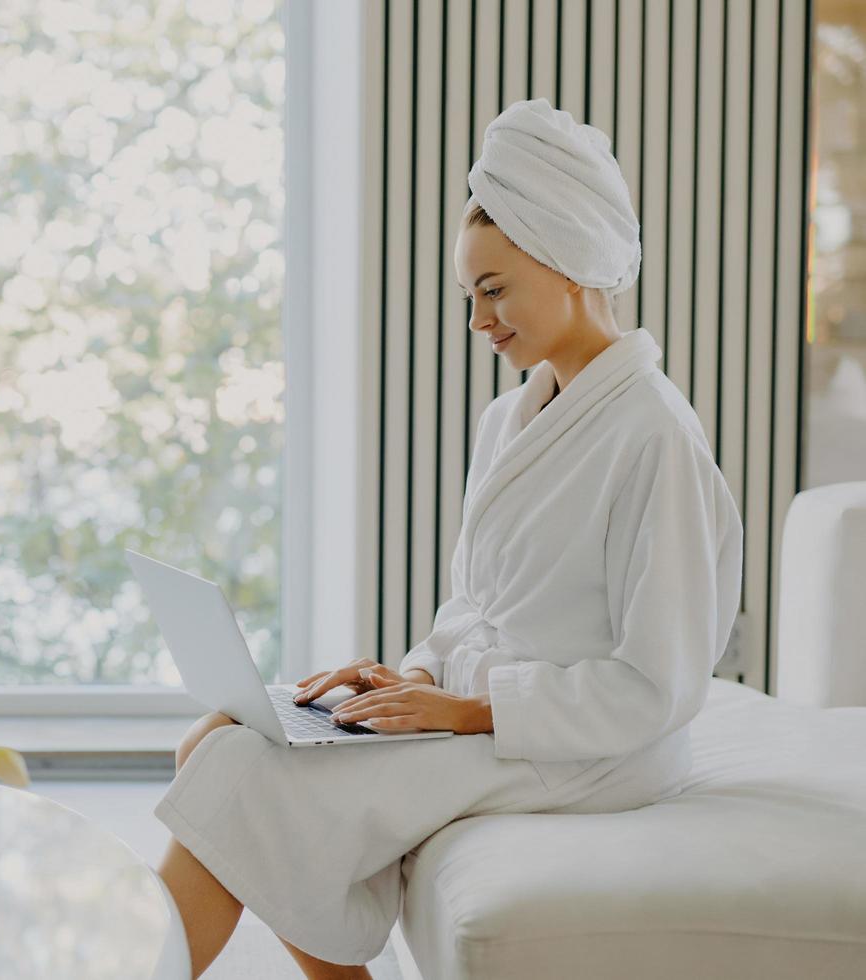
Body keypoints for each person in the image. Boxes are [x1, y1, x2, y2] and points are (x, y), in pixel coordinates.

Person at [152, 97, 745, 980]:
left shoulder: (655, 436)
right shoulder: (510, 418)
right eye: (470, 296)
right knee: (216, 737)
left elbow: (658, 683)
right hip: (486, 713)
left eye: (495, 290)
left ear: (570, 256)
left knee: (245, 775)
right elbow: (473, 601)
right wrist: (418, 674)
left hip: (587, 750)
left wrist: (473, 711)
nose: (479, 323)